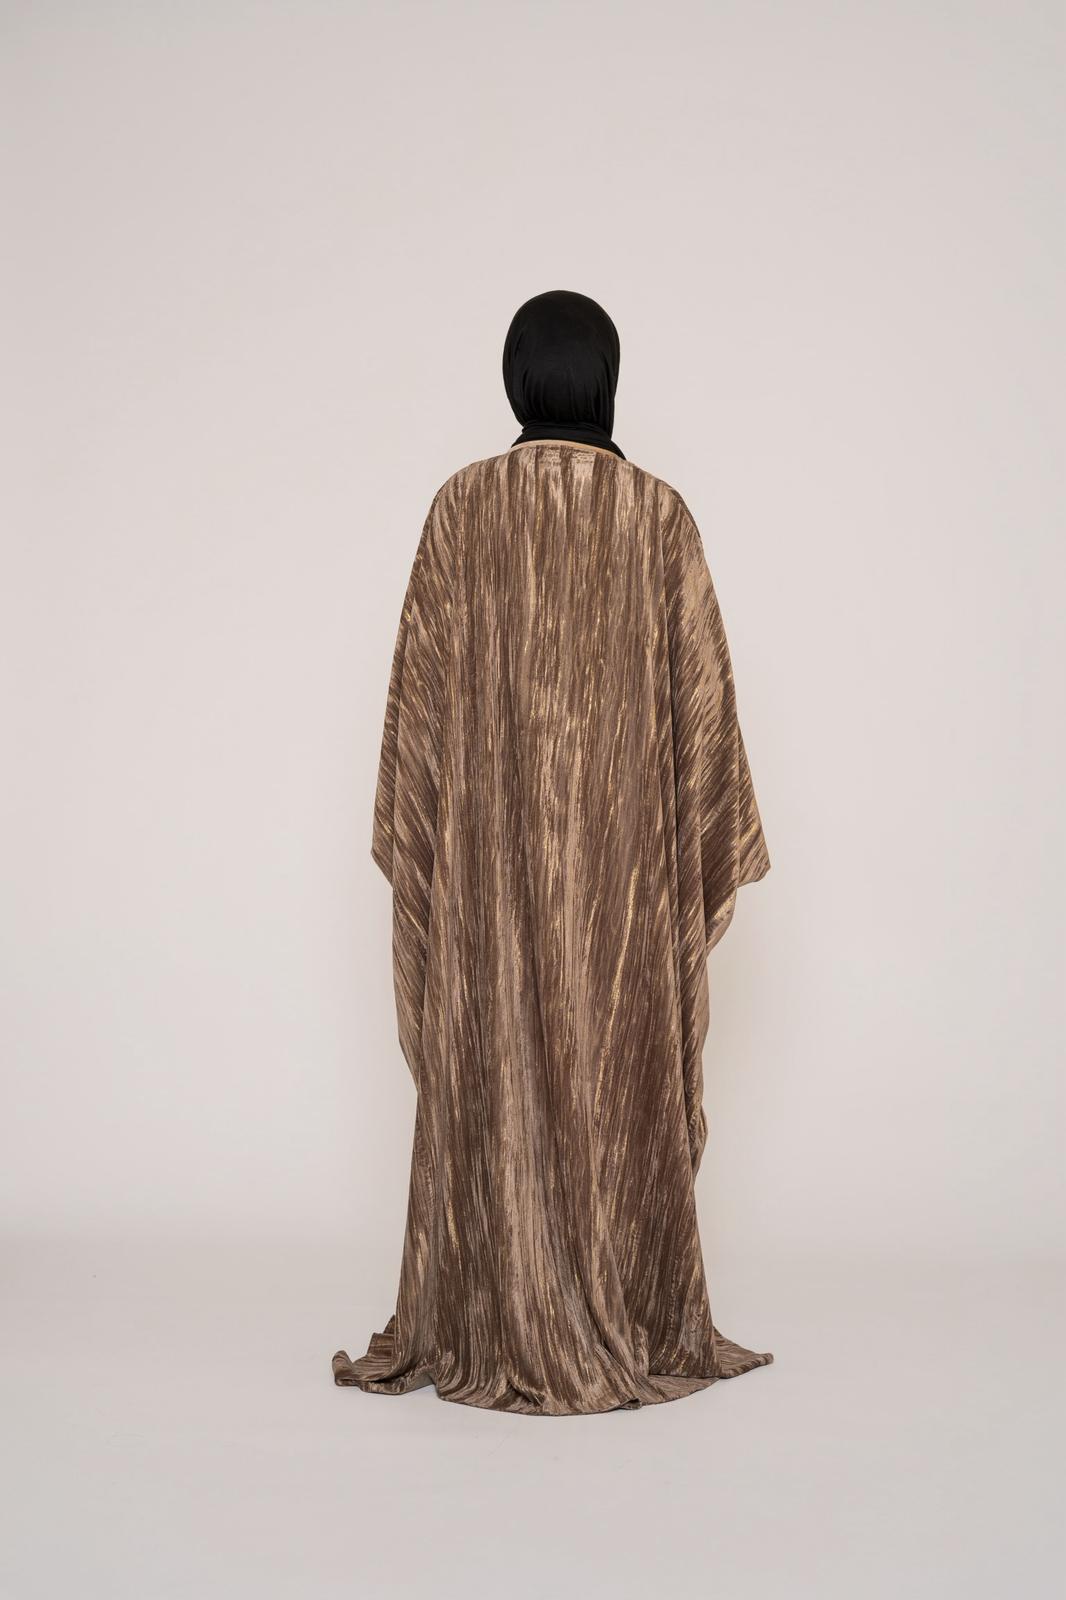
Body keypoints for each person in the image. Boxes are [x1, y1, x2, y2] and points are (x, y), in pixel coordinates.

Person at [332, 289, 773, 1415]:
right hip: (622, 906)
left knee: (496, 1055)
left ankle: (496, 1302)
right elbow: (703, 741)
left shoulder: (462, 511)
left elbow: (417, 742)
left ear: (517, 379)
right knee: (617, 1048)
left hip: (488, 898)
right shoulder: (657, 517)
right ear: (606, 380)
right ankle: (625, 1301)